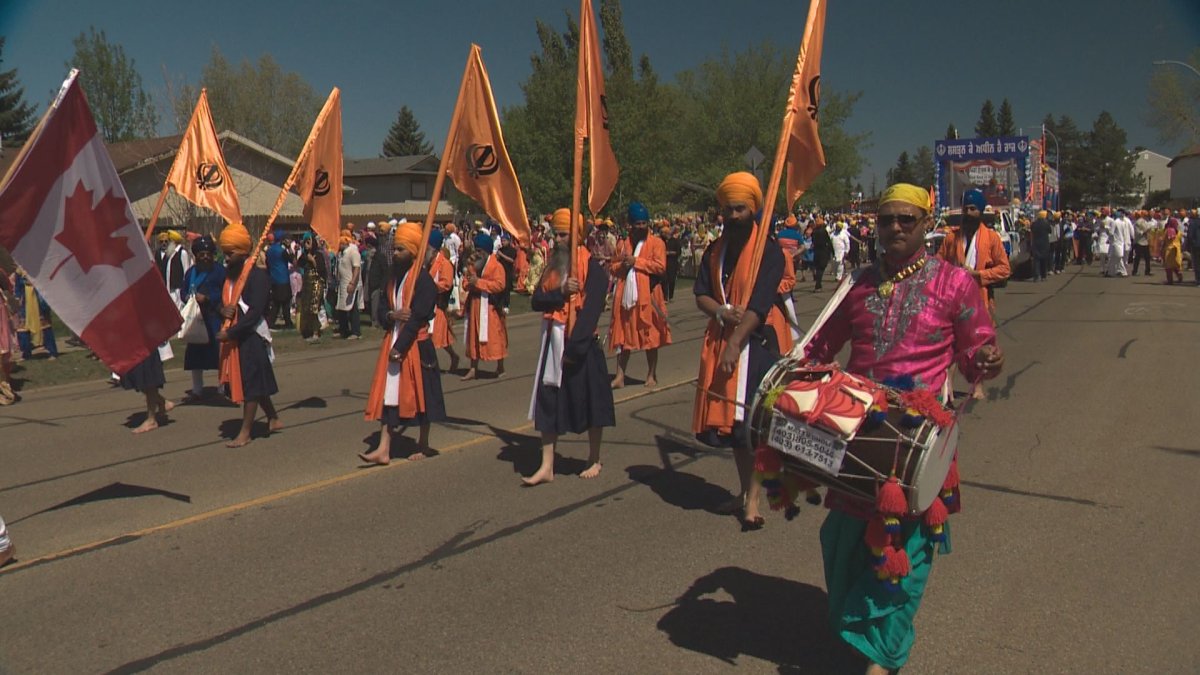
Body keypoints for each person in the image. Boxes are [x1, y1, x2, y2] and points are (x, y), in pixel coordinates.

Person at [804, 183, 1003, 673]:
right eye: (886, 219)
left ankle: (882, 658)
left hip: (917, 442)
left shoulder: (956, 284)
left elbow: (977, 352)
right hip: (859, 436)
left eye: (905, 220)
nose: (894, 227)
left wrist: (987, 359)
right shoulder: (858, 285)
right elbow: (819, 349)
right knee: (841, 541)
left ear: (925, 224)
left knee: (906, 550)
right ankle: (863, 635)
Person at [692, 171, 785, 530]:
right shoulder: (716, 251)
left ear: (754, 209)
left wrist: (735, 342)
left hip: (755, 346)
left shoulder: (770, 251)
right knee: (733, 429)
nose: (732, 217)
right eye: (727, 210)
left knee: (754, 428)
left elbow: (760, 306)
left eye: (740, 209)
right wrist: (718, 311)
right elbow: (700, 292)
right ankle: (744, 491)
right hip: (721, 341)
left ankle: (754, 502)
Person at [523, 208, 615, 484]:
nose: (558, 239)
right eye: (556, 234)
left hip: (581, 343)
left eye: (563, 234)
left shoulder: (595, 271)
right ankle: (547, 465)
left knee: (590, 400)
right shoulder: (553, 268)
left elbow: (592, 310)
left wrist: (575, 347)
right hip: (552, 341)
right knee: (548, 401)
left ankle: (594, 456)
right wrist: (560, 292)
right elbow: (537, 300)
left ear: (577, 236)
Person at [360, 222, 447, 465]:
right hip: (394, 340)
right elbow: (384, 310)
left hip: (415, 345)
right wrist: (391, 316)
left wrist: (400, 347)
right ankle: (383, 448)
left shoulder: (424, 282)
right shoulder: (393, 277)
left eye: (400, 249)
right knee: (390, 396)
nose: (396, 254)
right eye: (395, 249)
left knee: (422, 396)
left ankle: (423, 442)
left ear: (412, 251)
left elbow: (418, 315)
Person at [937, 188, 1010, 400]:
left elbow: (1004, 269)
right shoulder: (952, 237)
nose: (968, 213)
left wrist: (978, 274)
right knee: (950, 343)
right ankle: (947, 383)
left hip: (980, 297)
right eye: (965, 209)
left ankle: (977, 385)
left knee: (981, 345)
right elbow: (938, 263)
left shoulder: (992, 238)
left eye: (972, 209)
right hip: (952, 299)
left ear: (980, 211)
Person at [216, 222, 282, 448]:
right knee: (255, 381)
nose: (226, 257)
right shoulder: (230, 276)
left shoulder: (257, 276)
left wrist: (231, 332)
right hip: (234, 336)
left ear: (243, 251)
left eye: (230, 253)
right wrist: (221, 310)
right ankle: (273, 417)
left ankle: (245, 432)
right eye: (224, 253)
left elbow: (254, 313)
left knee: (252, 384)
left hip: (251, 335)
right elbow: (224, 302)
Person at [610, 201, 672, 389]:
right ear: (630, 224)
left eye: (644, 223)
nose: (641, 227)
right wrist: (623, 265)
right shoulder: (623, 243)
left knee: (650, 337)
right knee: (623, 338)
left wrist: (637, 262)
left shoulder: (656, 243)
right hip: (626, 299)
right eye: (637, 224)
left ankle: (651, 374)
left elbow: (660, 267)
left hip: (649, 297)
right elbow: (613, 267)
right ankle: (620, 376)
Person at [179, 235, 226, 402]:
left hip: (213, 317)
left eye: (208, 253)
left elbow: (225, 293)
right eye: (201, 254)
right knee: (195, 356)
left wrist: (208, 298)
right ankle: (197, 390)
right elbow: (183, 291)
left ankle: (222, 388)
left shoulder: (220, 271)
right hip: (196, 320)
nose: (205, 256)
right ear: (196, 255)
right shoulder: (191, 272)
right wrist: (189, 298)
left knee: (219, 355)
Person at [461, 231, 508, 380]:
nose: (478, 253)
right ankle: (473, 368)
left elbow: (500, 285)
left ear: (487, 251)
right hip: (475, 304)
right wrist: (471, 283)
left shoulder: (497, 266)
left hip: (490, 306)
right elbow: (465, 281)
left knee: (495, 336)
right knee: (473, 336)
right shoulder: (473, 265)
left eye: (481, 251)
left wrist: (479, 283)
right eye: (477, 250)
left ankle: (500, 366)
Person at [427, 229, 461, 373]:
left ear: (434, 248)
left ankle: (434, 363)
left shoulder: (444, 264)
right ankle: (449, 358)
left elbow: (446, 284)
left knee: (435, 337)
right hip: (428, 304)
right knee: (432, 336)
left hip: (438, 305)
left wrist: (429, 286)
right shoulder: (427, 261)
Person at [119, 347, 174, 434]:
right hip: (129, 347)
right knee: (134, 379)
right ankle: (161, 401)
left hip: (144, 346)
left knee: (148, 380)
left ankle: (151, 420)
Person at [297, 234, 328, 342]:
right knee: (306, 308)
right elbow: (298, 263)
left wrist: (313, 261)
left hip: (316, 283)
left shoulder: (318, 255)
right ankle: (308, 330)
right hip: (307, 284)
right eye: (305, 242)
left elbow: (322, 270)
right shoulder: (304, 255)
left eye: (309, 242)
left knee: (314, 307)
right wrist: (306, 256)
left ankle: (316, 332)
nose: (306, 244)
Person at [335, 230, 363, 339]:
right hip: (342, 284)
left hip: (351, 284)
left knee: (352, 309)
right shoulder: (342, 253)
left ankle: (356, 332)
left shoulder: (353, 251)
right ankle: (343, 330)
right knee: (341, 308)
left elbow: (357, 268)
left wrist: (352, 283)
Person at [156, 229, 192, 310]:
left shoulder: (182, 253)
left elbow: (186, 271)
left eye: (169, 241)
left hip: (179, 290)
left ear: (173, 242)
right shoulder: (170, 254)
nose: (167, 244)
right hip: (170, 290)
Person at [265, 231, 294, 329]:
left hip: (273, 278)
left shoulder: (269, 251)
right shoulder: (281, 251)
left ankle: (271, 322)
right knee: (286, 302)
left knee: (276, 303)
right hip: (283, 278)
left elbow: (267, 264)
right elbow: (292, 260)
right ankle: (288, 322)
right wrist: (289, 248)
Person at [810, 218, 833, 291]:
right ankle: (818, 285)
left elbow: (813, 241)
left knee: (818, 268)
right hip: (823, 251)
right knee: (821, 268)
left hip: (816, 251)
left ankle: (818, 284)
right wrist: (832, 251)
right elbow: (828, 241)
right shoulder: (824, 231)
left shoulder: (814, 232)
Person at [1030, 210, 1052, 281]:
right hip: (1045, 243)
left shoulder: (1034, 223)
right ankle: (1043, 276)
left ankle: (1036, 276)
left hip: (1036, 243)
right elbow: (1050, 231)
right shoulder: (1046, 223)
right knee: (1044, 260)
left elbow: (1032, 230)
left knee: (1036, 260)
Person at [664, 226, 684, 301]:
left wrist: (669, 253)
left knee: (671, 280)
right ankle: (665, 296)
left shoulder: (675, 241)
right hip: (664, 262)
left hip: (672, 262)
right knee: (664, 280)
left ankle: (671, 295)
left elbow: (678, 252)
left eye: (667, 233)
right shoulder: (662, 241)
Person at [1162, 218, 1184, 285]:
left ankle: (1170, 280)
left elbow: (1164, 240)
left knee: (1168, 266)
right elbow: (1181, 241)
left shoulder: (1167, 231)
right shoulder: (1179, 232)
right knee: (1176, 265)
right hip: (1177, 250)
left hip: (1169, 250)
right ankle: (1180, 277)